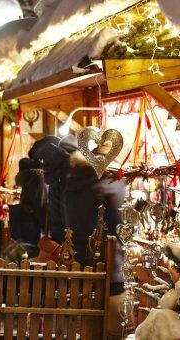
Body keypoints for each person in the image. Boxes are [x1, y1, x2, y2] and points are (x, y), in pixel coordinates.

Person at [60, 141, 126, 339]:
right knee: (118, 330)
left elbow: (66, 222)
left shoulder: (71, 183)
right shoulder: (110, 184)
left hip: (79, 264)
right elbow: (120, 224)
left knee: (86, 329)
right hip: (110, 266)